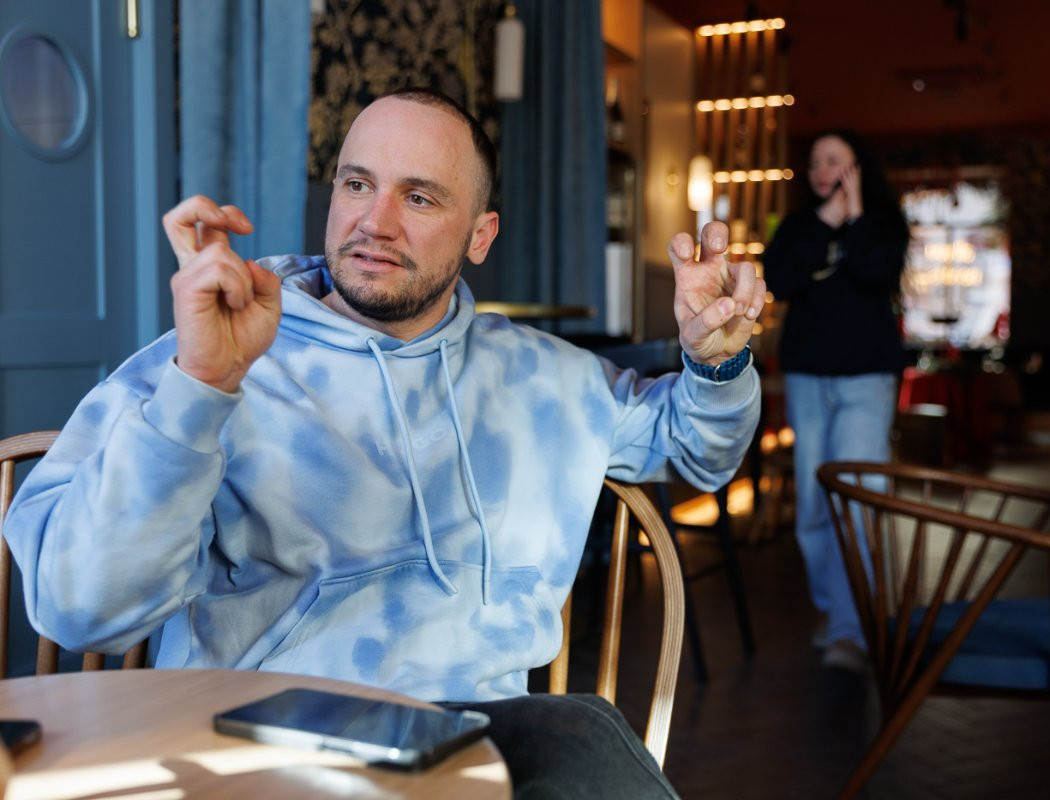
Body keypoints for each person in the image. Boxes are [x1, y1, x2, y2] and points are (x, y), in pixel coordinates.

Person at [4, 89, 764, 798]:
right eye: (357, 184)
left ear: (480, 236)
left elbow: (697, 449)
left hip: (483, 743)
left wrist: (716, 362)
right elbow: (81, 610)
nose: (375, 222)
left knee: (580, 732)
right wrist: (201, 387)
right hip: (261, 737)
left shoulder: (547, 378)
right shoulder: (213, 355)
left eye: (419, 197)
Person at [761, 129, 909, 674]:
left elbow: (875, 270)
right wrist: (826, 220)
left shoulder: (885, 222)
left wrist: (856, 214)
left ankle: (851, 628)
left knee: (856, 498)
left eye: (835, 161)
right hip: (808, 378)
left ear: (858, 167)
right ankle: (839, 609)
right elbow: (779, 279)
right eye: (815, 162)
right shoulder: (800, 225)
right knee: (814, 505)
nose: (822, 170)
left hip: (866, 379)